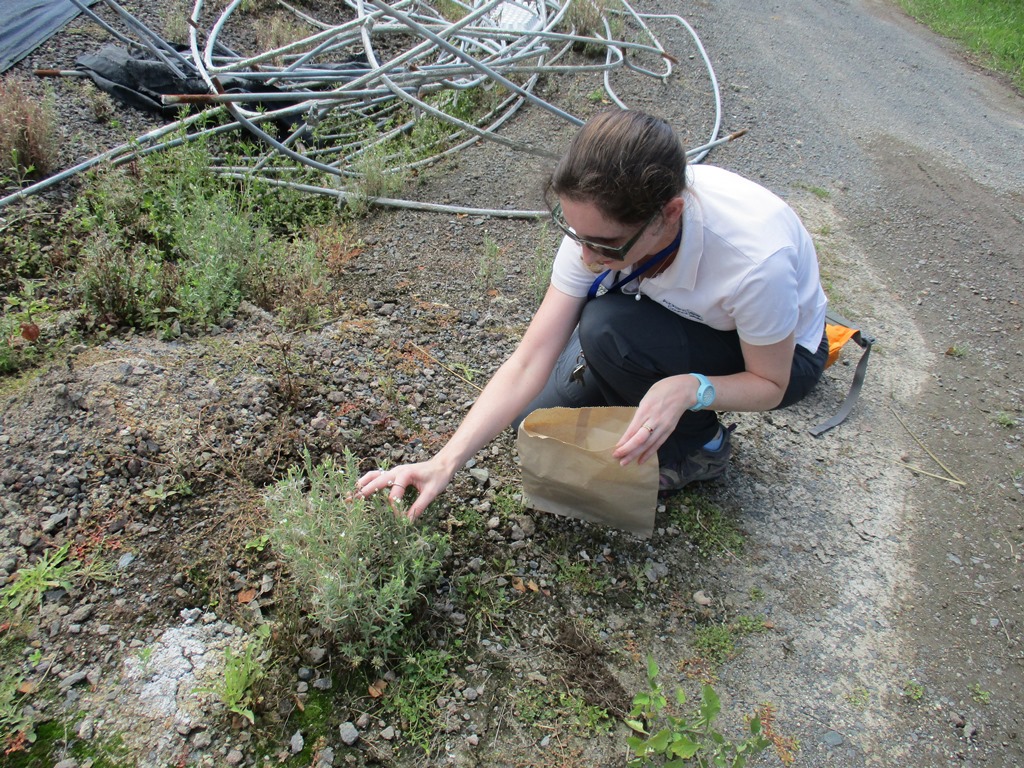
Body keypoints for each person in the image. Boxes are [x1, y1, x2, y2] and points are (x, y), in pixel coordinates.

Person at [356, 109, 828, 521]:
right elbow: (529, 358)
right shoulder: (597, 224)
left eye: (602, 245)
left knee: (605, 328)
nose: (585, 256)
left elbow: (772, 385)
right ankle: (638, 374)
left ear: (669, 215)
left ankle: (700, 448)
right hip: (658, 315)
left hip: (776, 357)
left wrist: (691, 388)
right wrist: (444, 460)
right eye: (575, 234)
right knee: (534, 417)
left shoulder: (754, 263)